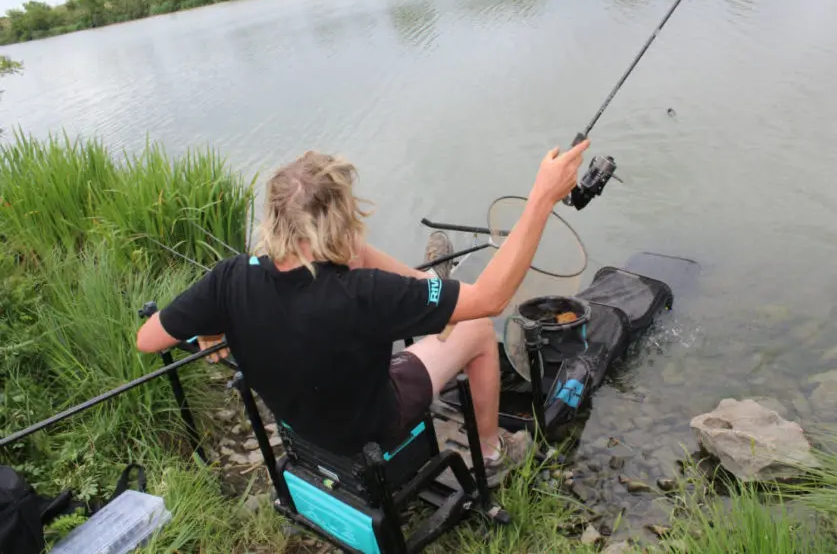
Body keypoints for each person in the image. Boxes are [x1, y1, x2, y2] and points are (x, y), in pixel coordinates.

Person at [136, 139, 589, 486]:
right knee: (473, 328)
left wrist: (211, 329)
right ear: (336, 221)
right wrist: (541, 198)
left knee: (416, 288)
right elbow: (491, 300)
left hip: (303, 422)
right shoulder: (361, 295)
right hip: (370, 425)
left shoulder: (229, 278)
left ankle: (437, 297)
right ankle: (491, 453)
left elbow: (148, 338)